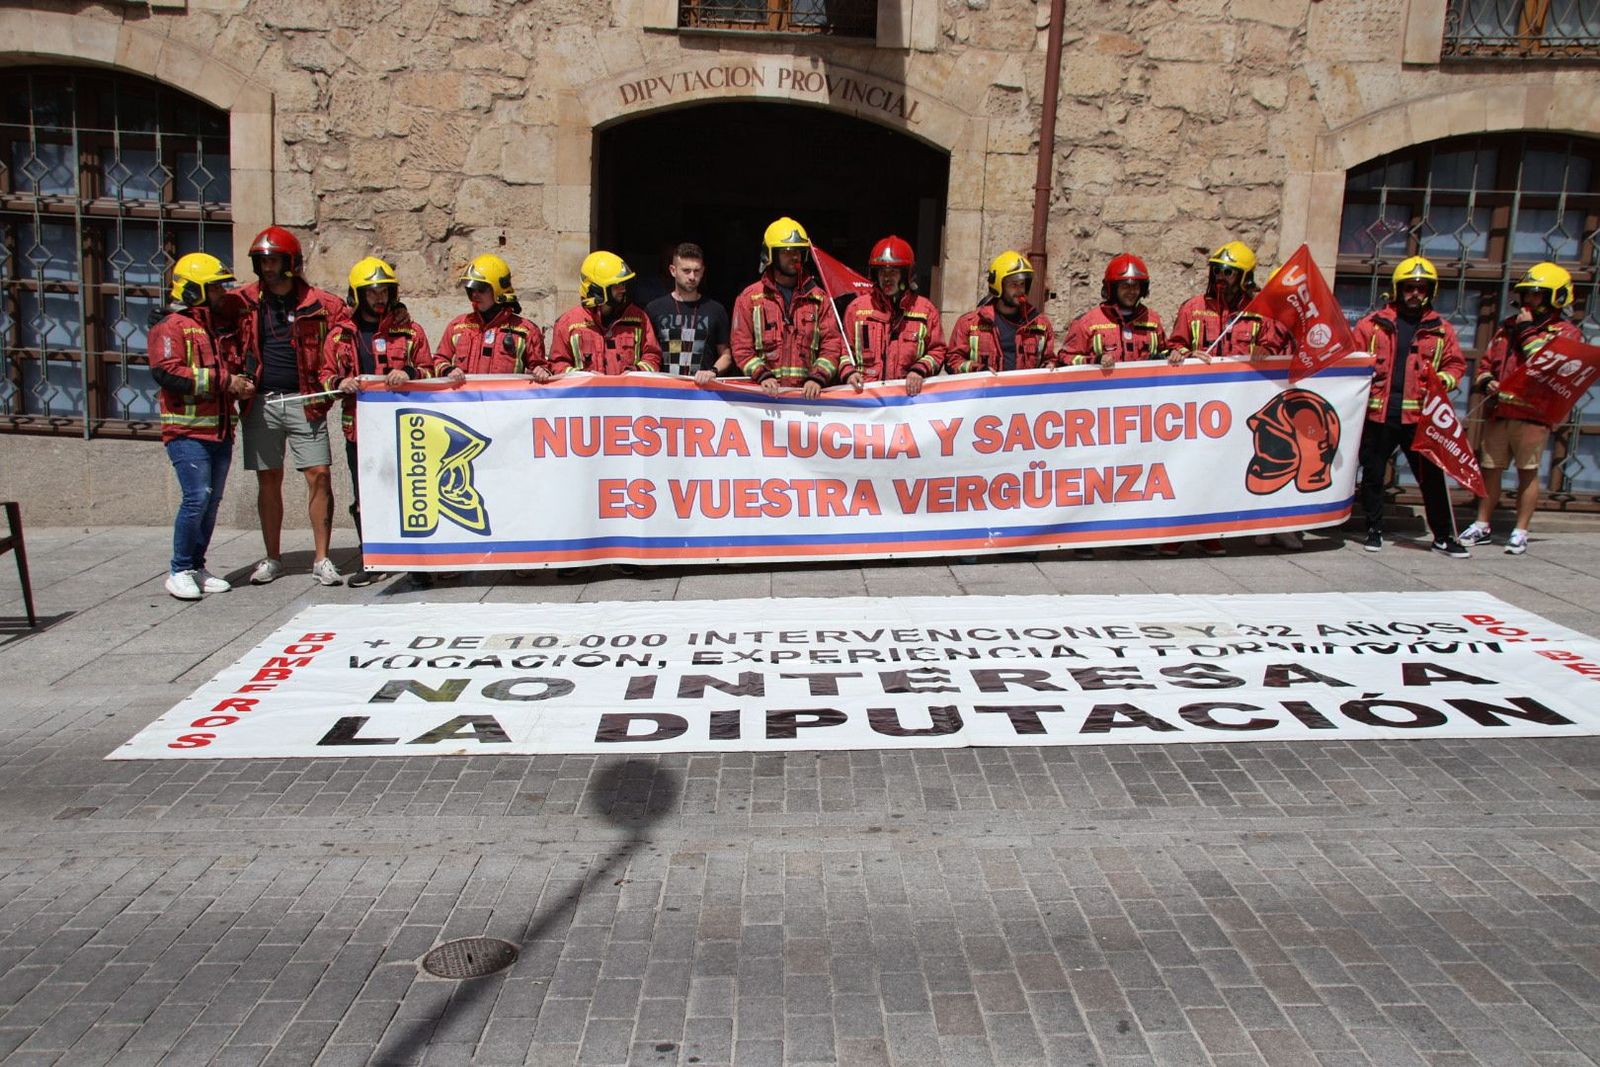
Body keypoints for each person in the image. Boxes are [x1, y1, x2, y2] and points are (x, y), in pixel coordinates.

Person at [231, 226, 349, 587]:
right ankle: (273, 558)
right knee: (269, 479)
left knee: (320, 474)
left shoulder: (321, 303)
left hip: (306, 401)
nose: (268, 268)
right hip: (261, 403)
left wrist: (335, 378)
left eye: (274, 261)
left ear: (291, 262)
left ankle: (322, 558)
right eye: (262, 261)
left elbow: (347, 334)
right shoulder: (243, 301)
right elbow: (218, 334)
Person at [1167, 240, 1301, 551]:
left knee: (1227, 469)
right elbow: (1173, 344)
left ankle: (1215, 530)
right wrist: (1184, 353)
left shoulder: (1260, 311)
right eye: (1217, 271)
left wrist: (1266, 349)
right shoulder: (1193, 307)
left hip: (1244, 407)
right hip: (1199, 407)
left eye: (1229, 272)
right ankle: (1177, 532)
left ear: (1245, 277)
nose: (1221, 278)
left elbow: (1281, 346)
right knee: (1193, 467)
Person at [1062, 255, 1186, 555]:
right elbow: (1065, 358)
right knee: (1095, 476)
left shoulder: (1152, 321)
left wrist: (1176, 354)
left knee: (1137, 476)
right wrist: (1093, 361)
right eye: (1125, 285)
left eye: (1136, 286)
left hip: (1141, 416)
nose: (1131, 291)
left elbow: (1166, 350)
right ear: (1111, 287)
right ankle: (1085, 537)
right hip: (1098, 417)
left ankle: (1134, 536)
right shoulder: (1090, 322)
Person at [1458, 262, 1584, 556]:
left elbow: (1545, 363)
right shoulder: (1507, 327)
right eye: (1526, 294)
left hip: (1533, 415)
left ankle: (1520, 530)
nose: (1529, 301)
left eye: (1537, 294)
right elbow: (1488, 362)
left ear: (1556, 297)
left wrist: (1527, 330)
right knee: (1490, 469)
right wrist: (1487, 380)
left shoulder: (1565, 333)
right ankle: (1482, 524)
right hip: (1500, 411)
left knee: (1527, 472)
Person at [321, 256, 432, 587]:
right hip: (360, 431)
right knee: (367, 496)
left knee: (412, 493)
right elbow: (325, 376)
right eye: (373, 292)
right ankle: (373, 559)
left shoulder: (410, 332)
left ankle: (418, 561)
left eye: (385, 291)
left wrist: (409, 373)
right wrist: (340, 385)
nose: (380, 298)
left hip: (407, 429)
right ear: (358, 295)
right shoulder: (341, 336)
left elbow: (429, 369)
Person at [150, 253, 254, 600]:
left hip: (220, 429)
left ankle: (197, 565)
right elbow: (167, 372)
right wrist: (225, 381)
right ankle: (179, 569)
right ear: (194, 289)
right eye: (214, 288)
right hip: (187, 431)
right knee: (196, 499)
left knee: (210, 502)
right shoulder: (170, 326)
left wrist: (241, 380)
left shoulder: (211, 326)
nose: (221, 294)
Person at [1352, 255, 1469, 557]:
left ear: (1431, 290)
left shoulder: (1441, 329)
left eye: (1421, 287)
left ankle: (1443, 537)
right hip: (1379, 414)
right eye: (1409, 287)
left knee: (1431, 478)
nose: (1415, 293)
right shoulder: (1372, 325)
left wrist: (1443, 380)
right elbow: (1351, 360)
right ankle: (1374, 530)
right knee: (1374, 475)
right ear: (1398, 289)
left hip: (1419, 418)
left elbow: (1456, 364)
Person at [729, 217, 845, 400]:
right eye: (787, 252)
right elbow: (741, 347)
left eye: (799, 251)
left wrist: (817, 378)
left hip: (807, 400)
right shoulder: (750, 298)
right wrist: (762, 375)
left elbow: (832, 345)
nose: (795, 257)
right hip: (763, 399)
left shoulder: (818, 298)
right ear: (771, 255)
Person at [842, 236, 945, 396]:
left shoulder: (925, 310)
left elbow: (937, 351)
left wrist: (919, 370)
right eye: (882, 271)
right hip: (865, 400)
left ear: (906, 275)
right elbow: (842, 349)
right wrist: (849, 372)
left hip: (907, 401)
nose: (887, 278)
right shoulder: (856, 309)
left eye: (893, 271)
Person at [435, 253, 547, 381]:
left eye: (481, 289)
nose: (475, 294)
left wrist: (541, 371)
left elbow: (541, 369)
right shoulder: (458, 326)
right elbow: (439, 360)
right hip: (466, 399)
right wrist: (447, 369)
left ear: (497, 290)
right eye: (471, 289)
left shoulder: (526, 331)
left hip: (504, 400)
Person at [550, 251, 664, 375]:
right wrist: (583, 377)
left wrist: (636, 372)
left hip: (626, 393)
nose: (623, 289)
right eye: (617, 286)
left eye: (624, 284)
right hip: (588, 394)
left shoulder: (639, 318)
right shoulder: (568, 323)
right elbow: (557, 364)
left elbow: (653, 357)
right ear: (597, 290)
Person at [945, 250, 1056, 374]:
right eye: (1013, 285)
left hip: (1025, 392)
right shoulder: (970, 323)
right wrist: (977, 369)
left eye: (1022, 284)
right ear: (999, 286)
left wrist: (1049, 365)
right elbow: (953, 361)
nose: (1020, 290)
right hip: (985, 392)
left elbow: (1050, 359)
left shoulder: (1040, 324)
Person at [645, 242, 731, 385]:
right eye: (686, 270)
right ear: (673, 270)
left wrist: (712, 371)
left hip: (702, 394)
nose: (692, 276)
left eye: (696, 271)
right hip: (664, 393)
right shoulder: (654, 309)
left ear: (703, 271)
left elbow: (726, 355)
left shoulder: (716, 310)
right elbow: (647, 355)